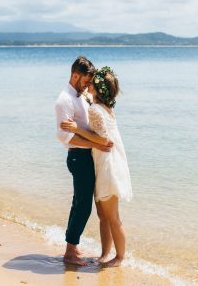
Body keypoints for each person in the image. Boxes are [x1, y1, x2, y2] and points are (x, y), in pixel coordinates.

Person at [61, 66, 132, 267]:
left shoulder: (94, 109)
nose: (88, 83)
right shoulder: (105, 107)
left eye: (91, 82)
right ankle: (105, 254)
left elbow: (103, 141)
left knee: (112, 217)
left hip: (108, 166)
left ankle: (119, 257)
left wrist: (76, 129)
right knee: (103, 216)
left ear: (98, 89)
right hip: (102, 165)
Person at [55, 56, 113, 266]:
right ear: (75, 75)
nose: (88, 85)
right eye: (86, 81)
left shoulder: (80, 95)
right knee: (82, 206)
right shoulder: (64, 100)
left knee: (79, 204)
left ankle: (72, 248)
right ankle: (70, 252)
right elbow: (65, 136)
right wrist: (96, 145)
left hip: (85, 156)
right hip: (78, 157)